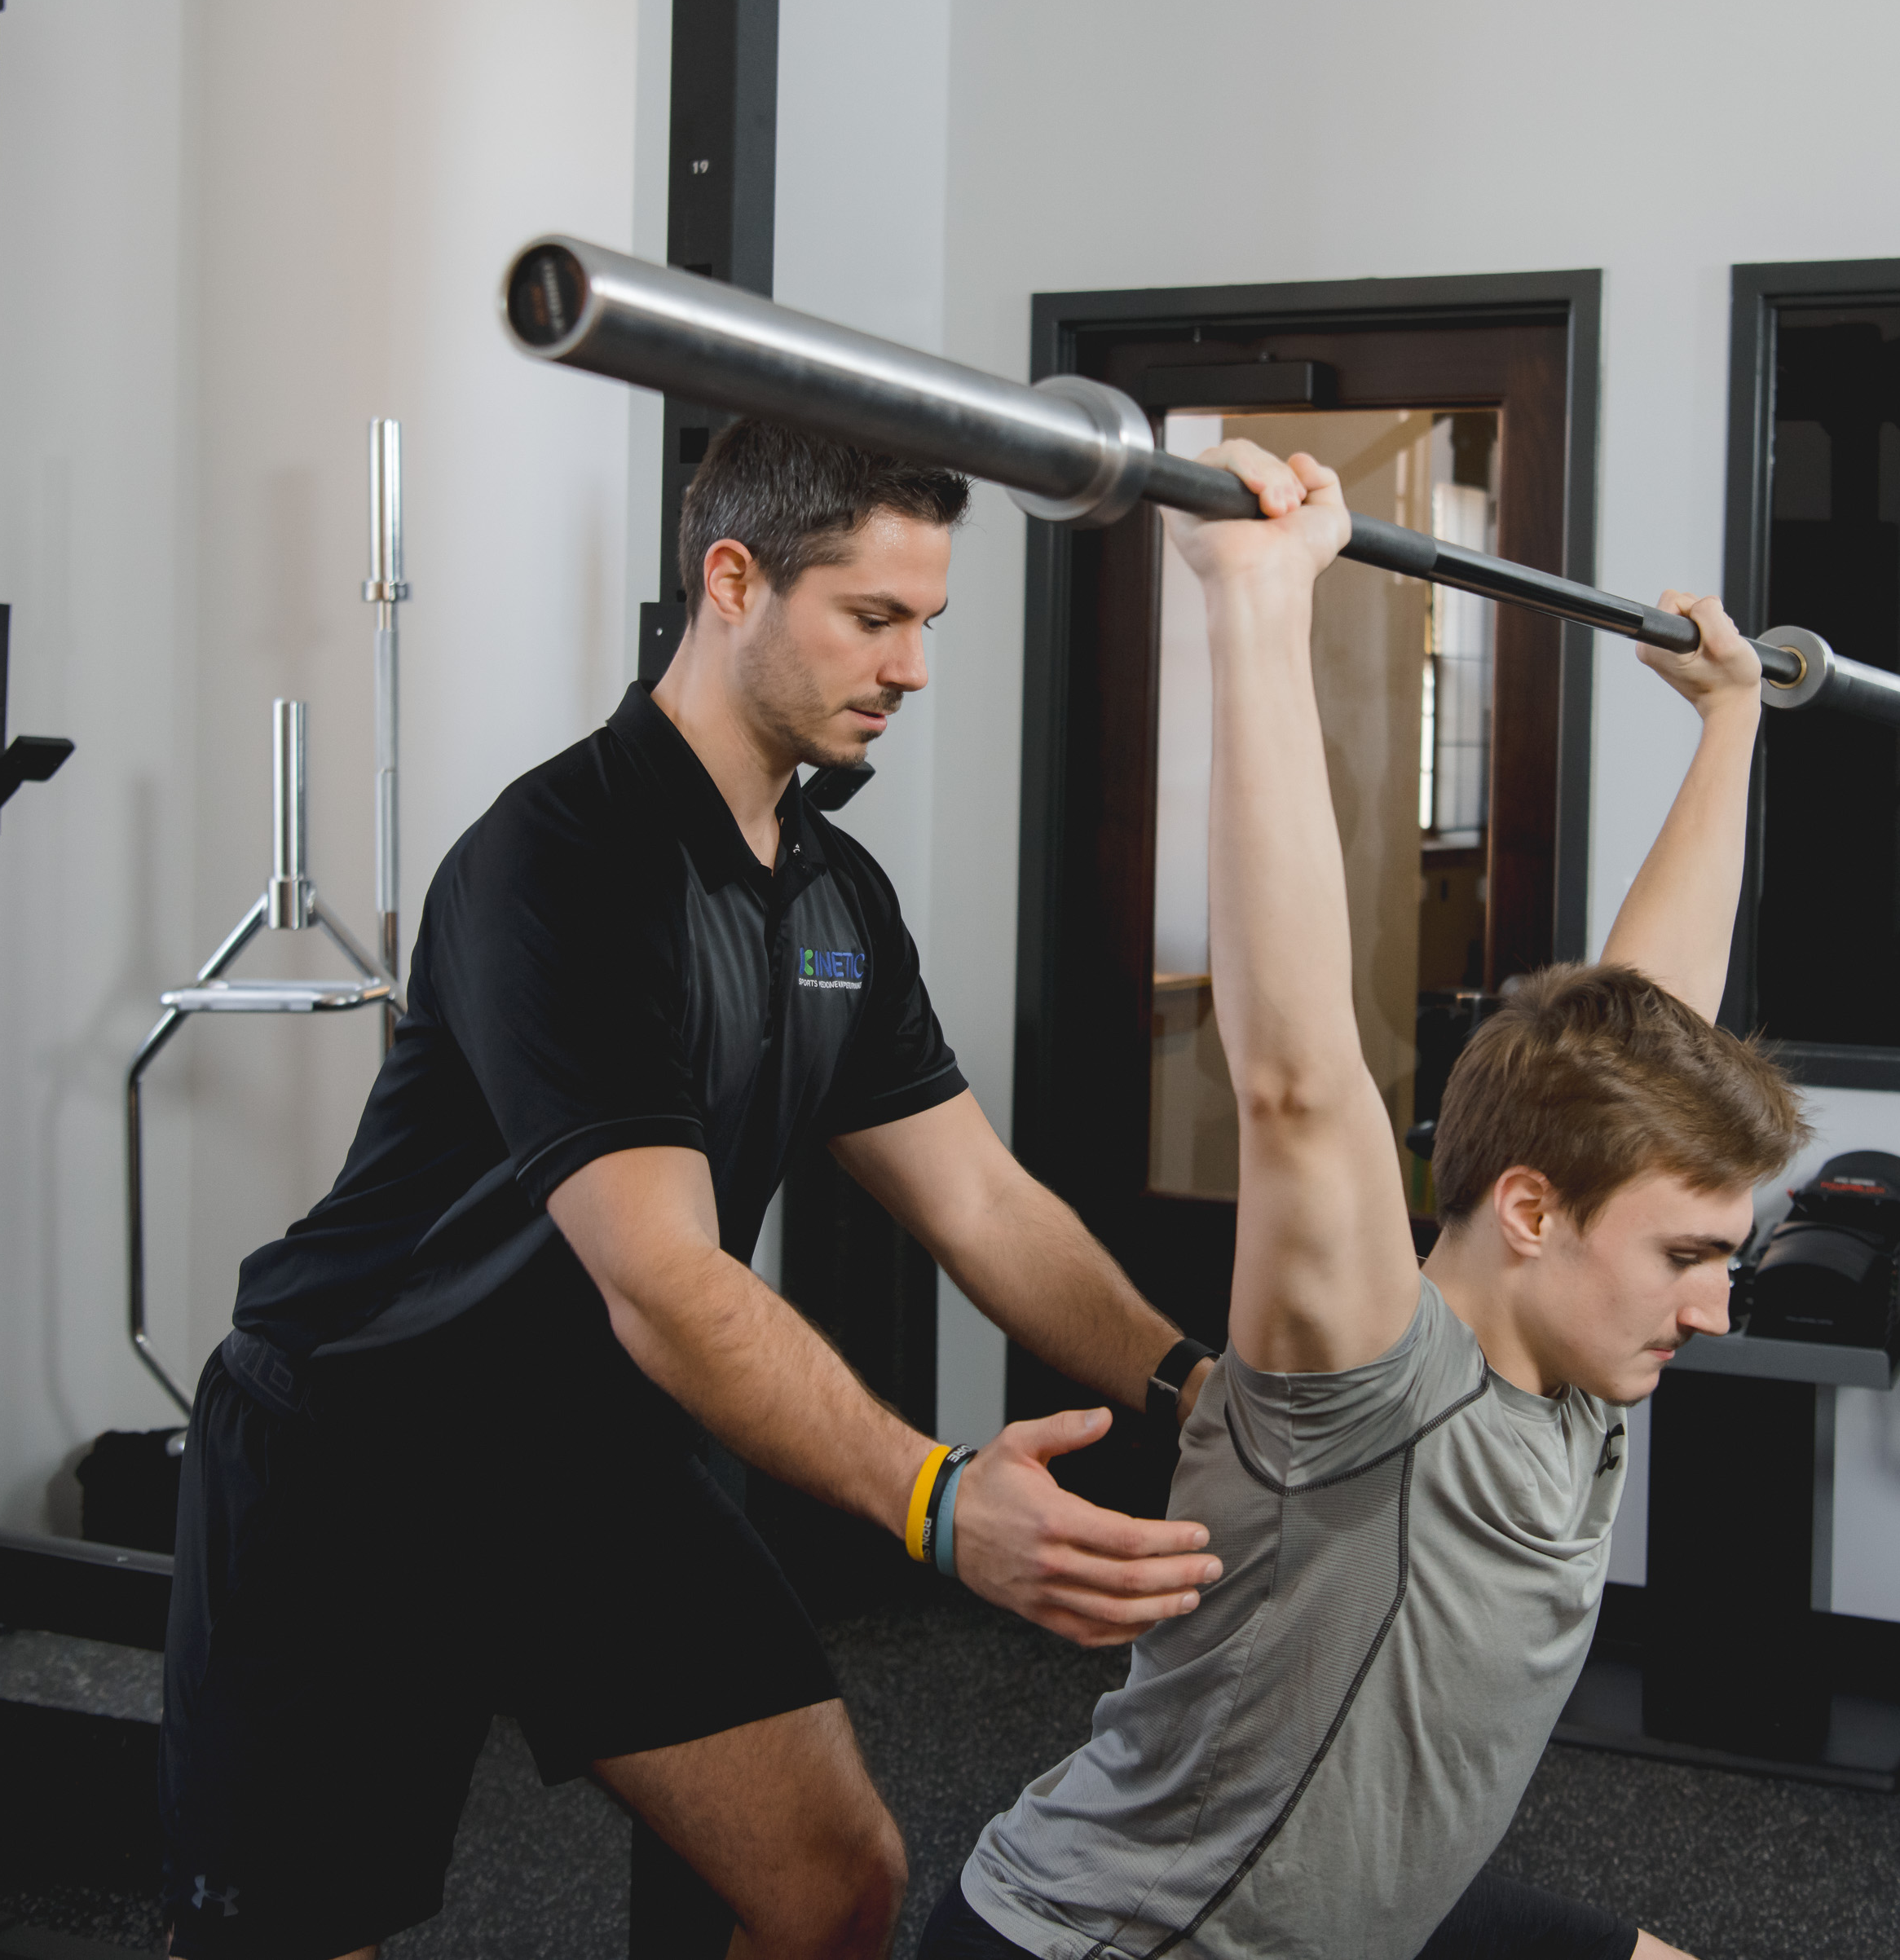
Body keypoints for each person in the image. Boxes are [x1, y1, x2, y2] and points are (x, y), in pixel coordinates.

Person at [161, 421, 1229, 1960]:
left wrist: (1198, 1390)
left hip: (582, 1456)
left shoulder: (830, 892)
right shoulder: (563, 862)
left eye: (929, 623)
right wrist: (936, 1502)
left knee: (827, 1884)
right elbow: (661, 1275)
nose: (913, 667)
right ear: (733, 580)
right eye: (874, 617)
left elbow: (981, 1202)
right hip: (362, 1459)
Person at [920, 443, 1810, 1960]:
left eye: (1721, 1255)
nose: (1716, 1304)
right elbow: (1295, 1077)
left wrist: (1730, 724)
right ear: (1530, 1212)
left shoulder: (1583, 1344)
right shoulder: (1370, 1386)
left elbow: (1652, 1024)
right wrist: (1254, 609)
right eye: (1688, 1257)